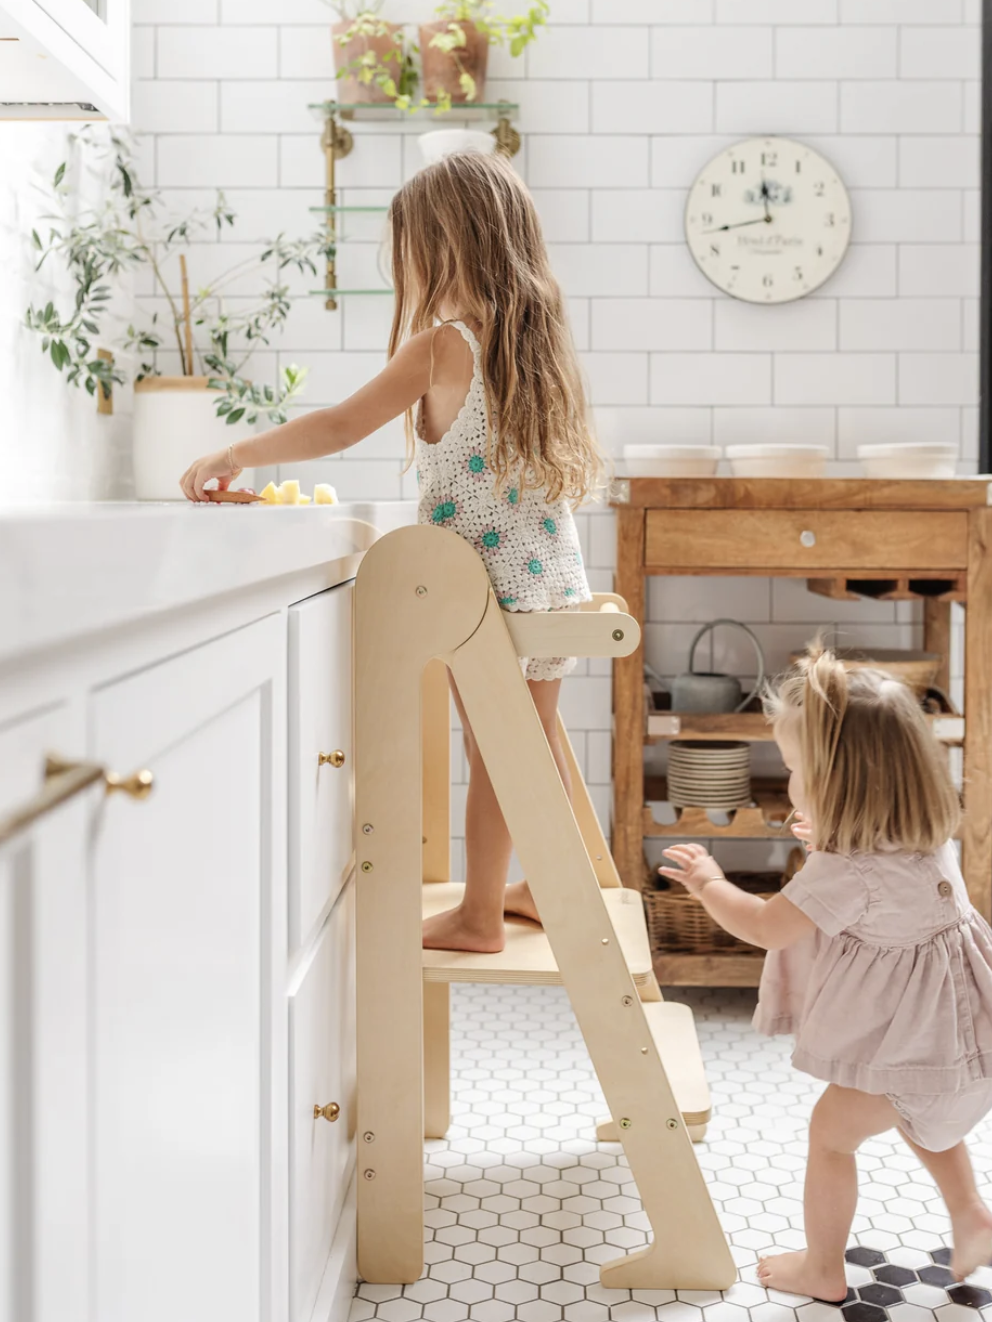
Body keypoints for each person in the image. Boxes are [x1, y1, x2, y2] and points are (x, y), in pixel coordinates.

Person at [179, 151, 602, 954]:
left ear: (444, 245)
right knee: (531, 744)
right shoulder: (532, 336)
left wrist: (241, 451)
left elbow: (339, 426)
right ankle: (544, 885)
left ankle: (480, 914)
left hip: (485, 597)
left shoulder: (444, 346)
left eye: (410, 247)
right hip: (551, 582)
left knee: (494, 754)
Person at [659, 647, 992, 1299]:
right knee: (910, 1113)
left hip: (921, 1059)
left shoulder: (846, 873)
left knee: (830, 1138)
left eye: (792, 770)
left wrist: (709, 881)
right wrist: (828, 844)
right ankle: (972, 1215)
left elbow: (765, 926)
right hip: (968, 1056)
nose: (788, 784)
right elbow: (884, 888)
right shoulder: (931, 840)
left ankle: (823, 1268)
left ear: (838, 783)